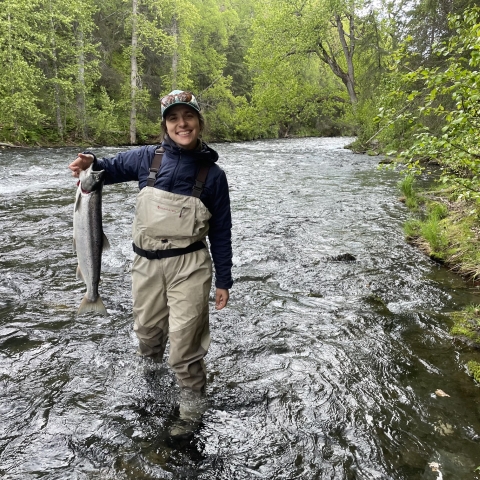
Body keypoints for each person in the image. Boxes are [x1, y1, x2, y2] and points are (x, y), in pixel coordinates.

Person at [69, 90, 233, 406]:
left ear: (199, 121)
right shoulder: (147, 157)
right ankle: (151, 390)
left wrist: (224, 279)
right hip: (145, 267)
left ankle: (191, 411)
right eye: (173, 118)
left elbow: (222, 232)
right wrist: (89, 160)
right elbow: (105, 168)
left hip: (190, 268)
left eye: (188, 117)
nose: (181, 124)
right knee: (148, 338)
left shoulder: (213, 176)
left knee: (185, 348)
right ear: (165, 124)